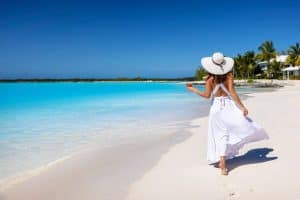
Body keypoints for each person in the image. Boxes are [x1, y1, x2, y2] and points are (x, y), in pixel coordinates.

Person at [187, 52, 268, 175]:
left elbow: (207, 96)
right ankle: (223, 161)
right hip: (228, 107)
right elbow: (233, 94)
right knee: (229, 131)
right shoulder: (229, 77)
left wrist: (193, 89)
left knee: (220, 134)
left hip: (215, 109)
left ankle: (222, 162)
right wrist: (242, 107)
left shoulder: (209, 80)